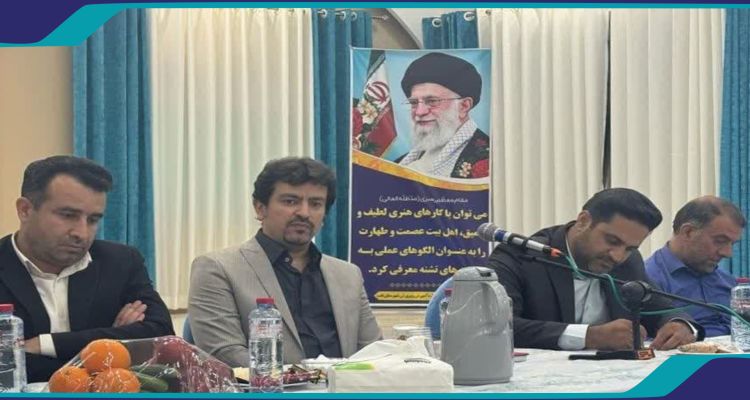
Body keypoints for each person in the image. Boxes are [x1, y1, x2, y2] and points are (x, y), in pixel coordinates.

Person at [188, 157, 382, 367]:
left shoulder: (348, 274)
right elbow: (226, 354)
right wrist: (310, 378)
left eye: (315, 204)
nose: (304, 213)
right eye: (290, 201)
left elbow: (374, 352)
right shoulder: (218, 269)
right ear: (260, 208)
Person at [0, 156, 174, 382]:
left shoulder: (121, 262)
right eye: (68, 215)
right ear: (25, 210)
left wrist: (44, 344)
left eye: (93, 220)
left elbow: (162, 336)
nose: (82, 233)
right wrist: (108, 345)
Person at [487, 188, 703, 351]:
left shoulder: (627, 262)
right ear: (583, 221)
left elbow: (660, 307)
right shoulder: (519, 256)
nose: (618, 256)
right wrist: (589, 336)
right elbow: (496, 327)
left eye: (630, 248)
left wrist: (681, 325)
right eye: (612, 241)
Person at [645, 196, 745, 337]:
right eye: (720, 241)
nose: (728, 253)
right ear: (688, 232)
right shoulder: (647, 281)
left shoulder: (726, 280)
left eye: (732, 244)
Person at [396, 52, 489, 179]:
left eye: (432, 101)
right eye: (414, 103)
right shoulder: (401, 163)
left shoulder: (490, 158)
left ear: (464, 106)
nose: (419, 112)